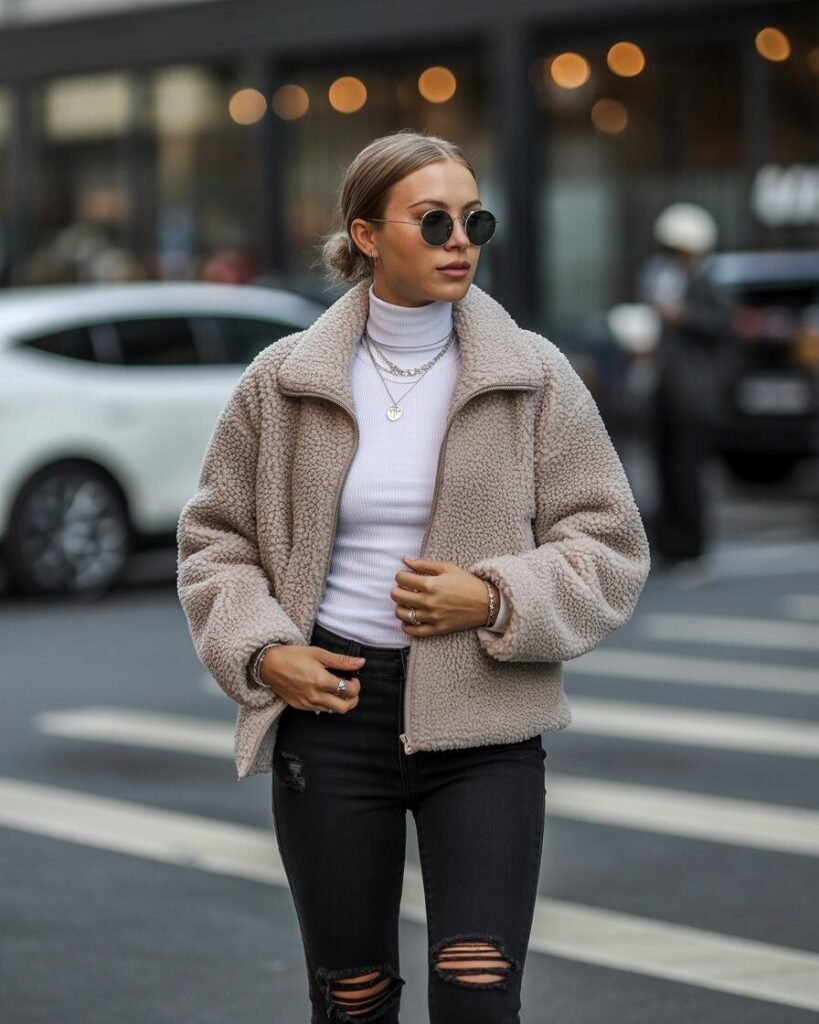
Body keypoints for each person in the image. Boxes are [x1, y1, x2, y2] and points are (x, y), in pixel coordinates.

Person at [176, 130, 651, 1024]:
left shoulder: (532, 375)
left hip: (485, 726)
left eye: (475, 219)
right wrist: (263, 651)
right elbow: (214, 541)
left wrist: (499, 594)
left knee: (477, 994)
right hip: (333, 715)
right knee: (351, 998)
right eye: (432, 221)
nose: (459, 240)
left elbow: (610, 542)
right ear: (365, 234)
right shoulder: (281, 382)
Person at [637, 202, 720, 565]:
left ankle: (693, 542)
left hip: (692, 393)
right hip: (662, 389)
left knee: (687, 471)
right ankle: (669, 542)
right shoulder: (658, 277)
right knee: (664, 468)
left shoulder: (705, 285)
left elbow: (722, 326)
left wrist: (683, 316)